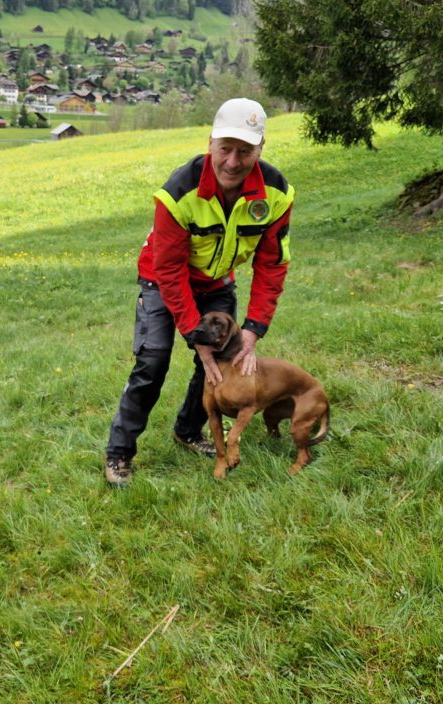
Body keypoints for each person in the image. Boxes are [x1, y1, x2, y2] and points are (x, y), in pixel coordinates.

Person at [104, 98, 295, 486]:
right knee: (152, 361)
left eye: (245, 151)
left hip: (217, 281)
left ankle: (188, 431)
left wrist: (254, 329)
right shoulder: (177, 192)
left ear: (261, 149)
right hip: (162, 279)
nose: (232, 161)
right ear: (210, 142)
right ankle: (119, 453)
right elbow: (169, 269)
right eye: (225, 148)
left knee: (220, 362)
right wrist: (194, 333)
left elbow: (272, 264)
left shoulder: (276, 193)